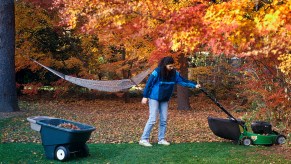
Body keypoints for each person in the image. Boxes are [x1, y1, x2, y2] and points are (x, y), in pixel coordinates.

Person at [139, 56, 201, 147]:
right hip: (154, 98)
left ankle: (161, 139)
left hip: (164, 99)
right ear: (164, 65)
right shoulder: (157, 71)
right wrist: (145, 96)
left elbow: (183, 81)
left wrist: (194, 85)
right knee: (152, 119)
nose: (172, 68)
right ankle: (143, 139)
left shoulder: (174, 73)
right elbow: (149, 83)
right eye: (170, 66)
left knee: (164, 119)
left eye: (172, 66)